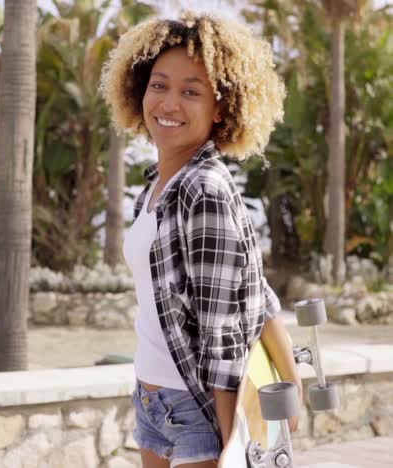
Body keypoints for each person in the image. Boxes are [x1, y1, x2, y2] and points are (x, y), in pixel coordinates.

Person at [101, 11, 302, 468]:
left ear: (220, 108)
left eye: (191, 91)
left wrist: (233, 441)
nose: (169, 103)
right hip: (153, 399)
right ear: (138, 90)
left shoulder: (203, 191)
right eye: (159, 84)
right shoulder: (158, 184)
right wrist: (293, 380)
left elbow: (221, 331)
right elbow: (254, 287)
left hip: (198, 408)